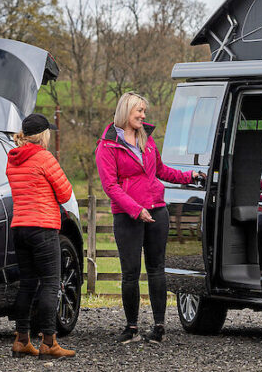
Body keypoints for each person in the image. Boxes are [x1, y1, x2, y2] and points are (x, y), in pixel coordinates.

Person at [96, 92, 205, 344]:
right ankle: (131, 327)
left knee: (157, 269)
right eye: (139, 111)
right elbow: (110, 186)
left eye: (144, 111)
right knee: (130, 273)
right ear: (126, 111)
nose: (144, 116)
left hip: (157, 211)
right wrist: (136, 209)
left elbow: (162, 170)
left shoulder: (147, 139)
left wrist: (191, 176)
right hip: (127, 217)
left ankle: (159, 327)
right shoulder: (107, 146)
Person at [6, 113, 76, 359]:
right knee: (50, 283)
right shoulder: (45, 158)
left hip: (20, 227)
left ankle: (22, 340)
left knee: (27, 284)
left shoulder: (12, 160)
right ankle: (48, 342)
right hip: (43, 228)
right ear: (43, 134)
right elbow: (66, 193)